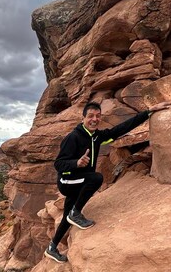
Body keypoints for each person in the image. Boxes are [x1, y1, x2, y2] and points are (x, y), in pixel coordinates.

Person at [44, 100, 171, 263]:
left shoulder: (97, 136)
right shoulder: (73, 137)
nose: (94, 119)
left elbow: (120, 129)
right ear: (83, 118)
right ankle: (76, 214)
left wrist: (148, 112)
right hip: (68, 181)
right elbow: (58, 164)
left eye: (98, 116)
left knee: (66, 216)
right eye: (90, 116)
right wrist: (75, 163)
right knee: (97, 178)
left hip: (79, 180)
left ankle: (52, 247)